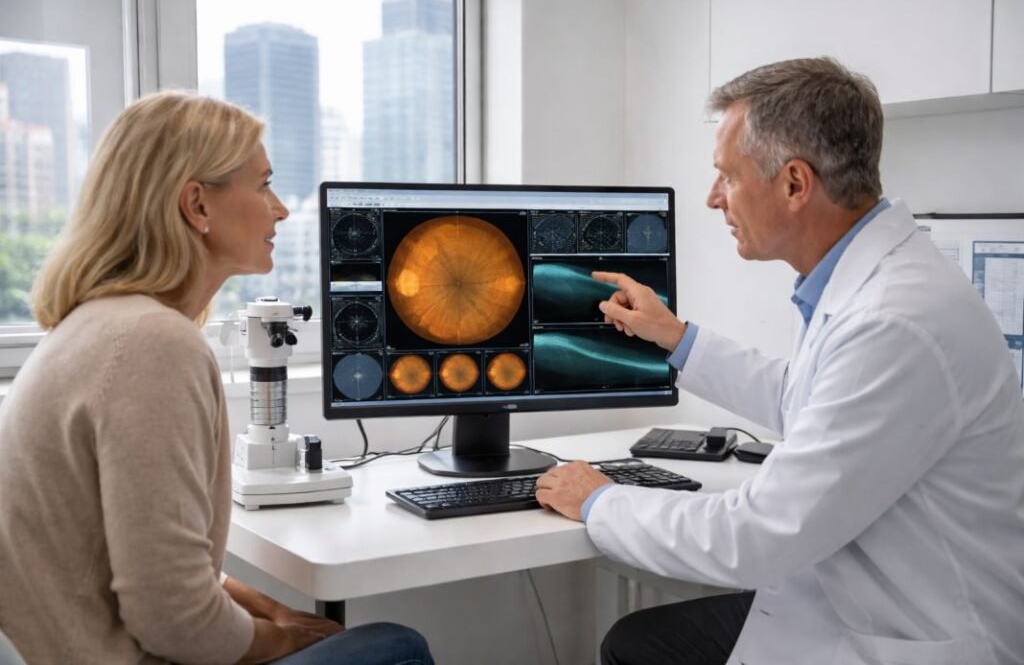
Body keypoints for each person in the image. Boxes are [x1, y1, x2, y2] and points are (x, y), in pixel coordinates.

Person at [536, 57, 1024, 665]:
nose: (715, 198)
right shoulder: (875, 286)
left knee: (640, 646)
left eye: (728, 177)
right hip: (853, 600)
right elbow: (809, 398)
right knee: (640, 643)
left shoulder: (893, 320)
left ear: (795, 184)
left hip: (912, 637)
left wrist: (602, 501)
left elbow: (760, 535)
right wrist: (676, 337)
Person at [0, 92, 434, 665]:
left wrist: (262, 605)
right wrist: (281, 638)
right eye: (263, 186)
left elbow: (148, 563)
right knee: (396, 647)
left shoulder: (101, 327)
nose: (280, 210)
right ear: (197, 205)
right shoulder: (150, 346)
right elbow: (173, 618)